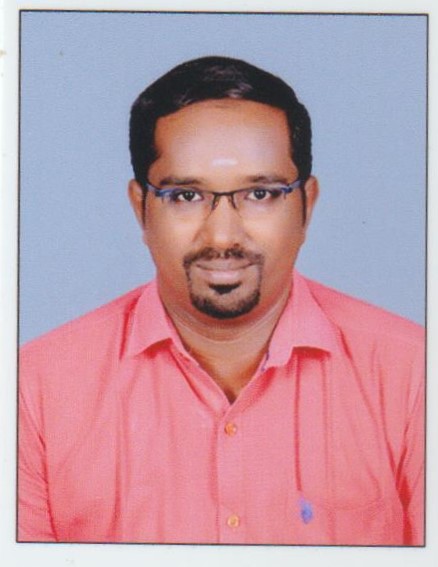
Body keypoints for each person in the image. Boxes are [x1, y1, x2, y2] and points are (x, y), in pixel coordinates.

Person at [18, 56, 424, 546]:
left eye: (261, 193)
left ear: (307, 205)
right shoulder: (33, 389)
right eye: (186, 196)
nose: (223, 236)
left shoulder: (415, 375)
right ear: (140, 208)